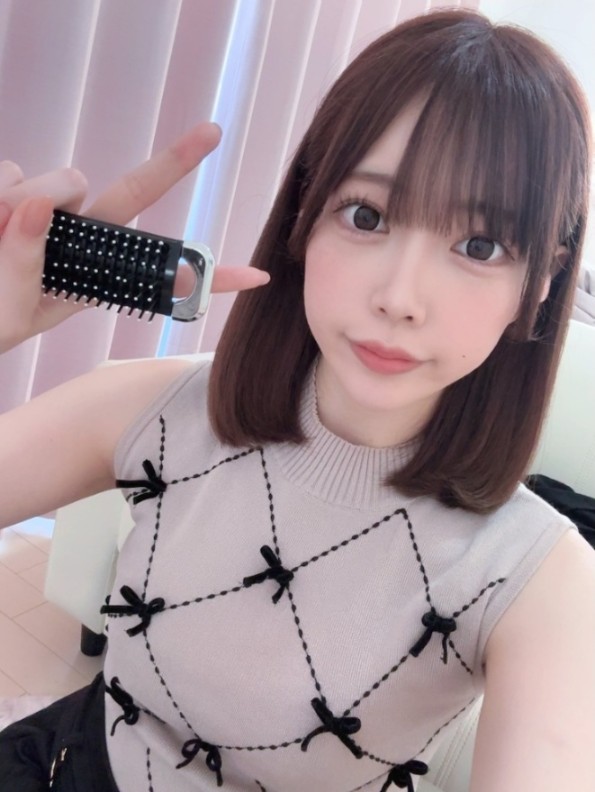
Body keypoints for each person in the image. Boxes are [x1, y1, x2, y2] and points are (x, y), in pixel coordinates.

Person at [0, 7, 594, 792]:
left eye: (478, 245)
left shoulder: (540, 578)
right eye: (366, 216)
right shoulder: (162, 409)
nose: (400, 297)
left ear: (542, 279)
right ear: (305, 217)